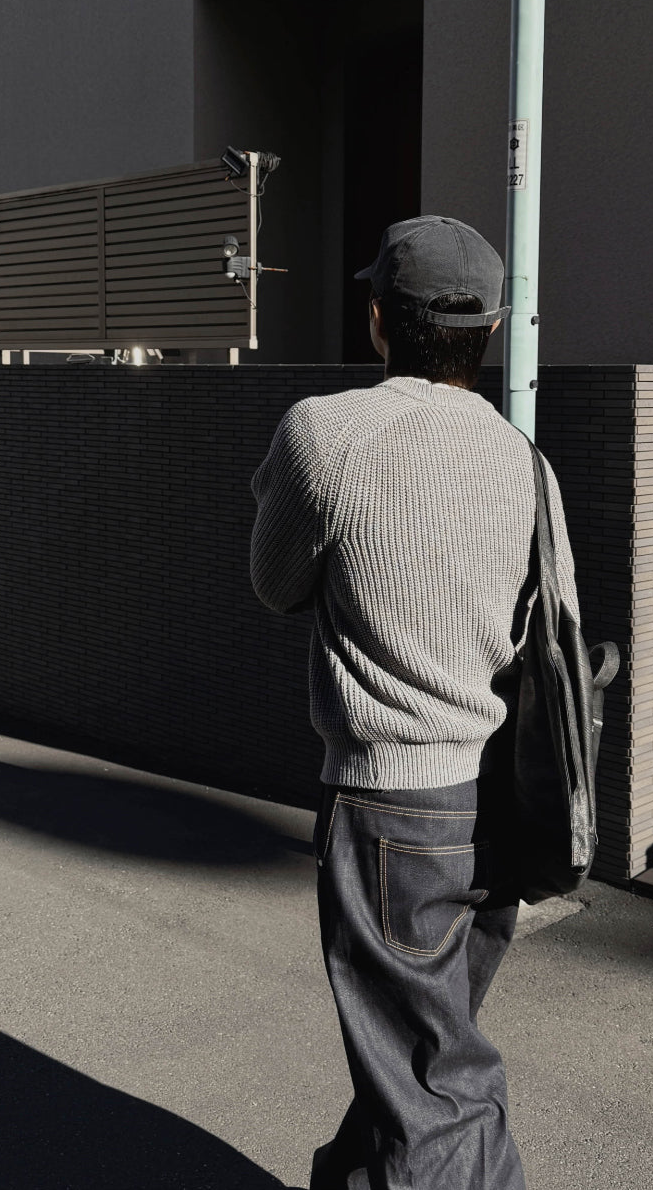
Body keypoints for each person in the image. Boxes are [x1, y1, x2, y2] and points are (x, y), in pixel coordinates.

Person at [249, 215, 579, 1190]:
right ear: (491, 331)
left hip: (387, 808)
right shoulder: (528, 464)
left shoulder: (326, 432)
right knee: (423, 1043)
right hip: (500, 806)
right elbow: (551, 629)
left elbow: (274, 582)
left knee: (437, 1086)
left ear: (378, 319)